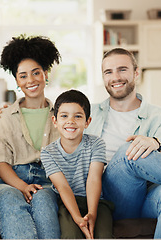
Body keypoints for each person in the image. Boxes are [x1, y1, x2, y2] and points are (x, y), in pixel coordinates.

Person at [87, 47, 161, 238]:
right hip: (107, 198)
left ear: (136, 73)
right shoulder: (88, 113)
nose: (115, 77)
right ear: (103, 77)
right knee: (130, 151)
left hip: (148, 197)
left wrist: (157, 145)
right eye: (108, 72)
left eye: (122, 69)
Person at [0, 35, 61, 239]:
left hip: (46, 182)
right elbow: (1, 164)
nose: (31, 81)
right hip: (6, 182)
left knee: (44, 198)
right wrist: (23, 186)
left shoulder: (62, 117)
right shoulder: (5, 118)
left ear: (45, 74)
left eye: (36, 73)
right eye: (23, 76)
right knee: (11, 197)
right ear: (17, 81)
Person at [41, 89, 113, 239]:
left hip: (96, 202)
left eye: (78, 116)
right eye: (64, 116)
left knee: (103, 235)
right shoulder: (48, 153)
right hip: (67, 204)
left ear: (87, 122)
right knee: (71, 235)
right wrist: (77, 218)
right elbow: (63, 186)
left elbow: (94, 179)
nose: (70, 121)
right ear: (55, 121)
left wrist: (92, 214)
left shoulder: (96, 144)